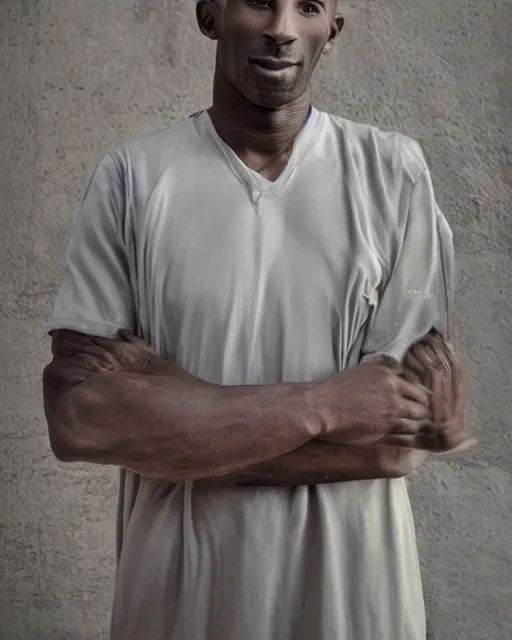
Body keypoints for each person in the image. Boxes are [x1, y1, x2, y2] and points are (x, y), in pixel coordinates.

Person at [42, 0, 476, 638]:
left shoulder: (394, 173)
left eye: (308, 8)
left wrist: (174, 421)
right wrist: (325, 406)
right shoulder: (132, 178)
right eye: (258, 3)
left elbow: (395, 442)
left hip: (353, 598)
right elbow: (78, 420)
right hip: (179, 599)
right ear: (210, 15)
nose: (280, 29)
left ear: (333, 31)